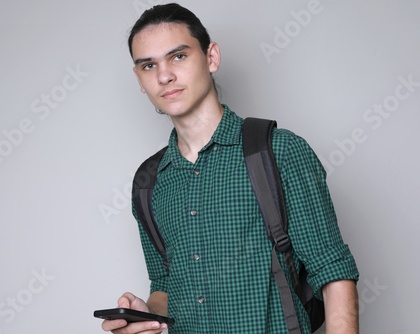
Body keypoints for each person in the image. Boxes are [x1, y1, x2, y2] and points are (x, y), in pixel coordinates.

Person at [102, 3, 359, 333]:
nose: (164, 75)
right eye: (149, 65)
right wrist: (148, 310)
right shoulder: (149, 182)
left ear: (211, 58)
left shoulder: (278, 151)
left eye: (178, 56)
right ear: (139, 79)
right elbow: (165, 286)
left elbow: (332, 270)